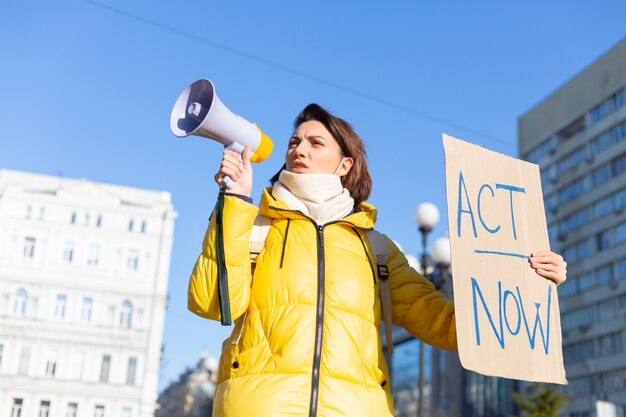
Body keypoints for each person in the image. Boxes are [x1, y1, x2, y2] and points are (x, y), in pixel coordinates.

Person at [187, 104, 567, 417]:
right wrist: (234, 202)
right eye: (294, 141)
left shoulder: (377, 248)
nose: (299, 149)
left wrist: (528, 280)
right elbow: (211, 303)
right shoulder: (255, 226)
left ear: (345, 165)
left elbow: (447, 326)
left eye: (316, 142)